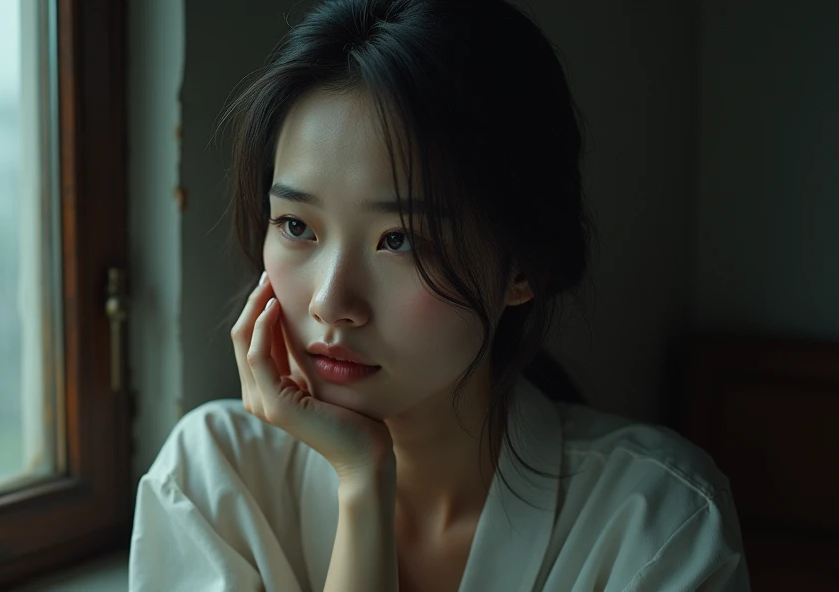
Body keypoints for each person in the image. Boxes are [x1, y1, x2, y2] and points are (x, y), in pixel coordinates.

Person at [128, 0, 750, 589]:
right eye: (296, 226)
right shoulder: (211, 480)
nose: (330, 301)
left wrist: (363, 478)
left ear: (523, 267)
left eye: (399, 239)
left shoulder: (656, 524)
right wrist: (361, 480)